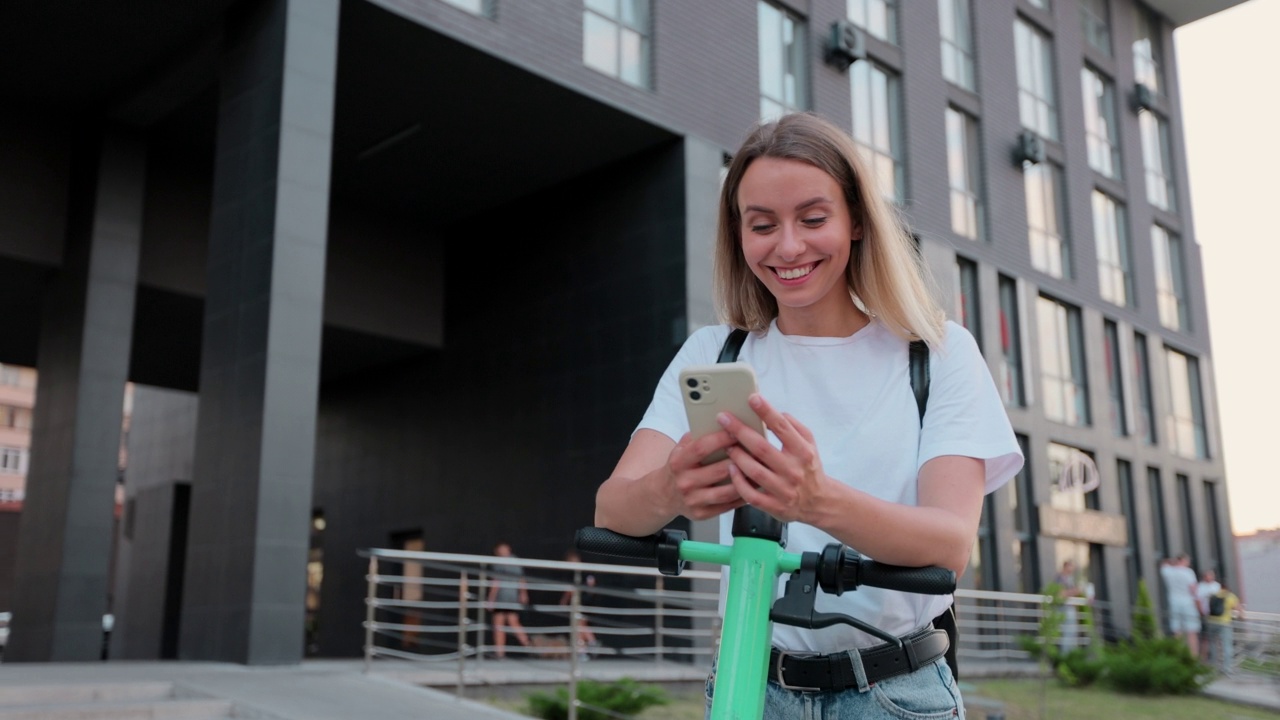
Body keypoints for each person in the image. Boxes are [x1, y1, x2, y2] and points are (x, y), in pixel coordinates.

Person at [593, 112, 1023, 719]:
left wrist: (815, 500)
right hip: (749, 685)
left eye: (813, 219)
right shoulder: (717, 352)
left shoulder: (938, 353)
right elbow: (612, 508)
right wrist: (671, 487)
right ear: (738, 235)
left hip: (895, 696)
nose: (788, 246)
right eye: (762, 225)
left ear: (856, 223)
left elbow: (950, 546)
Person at [486, 541, 530, 659]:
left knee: (499, 623)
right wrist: (523, 593)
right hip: (512, 596)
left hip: (503, 596)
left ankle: (500, 653)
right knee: (512, 621)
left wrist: (491, 599)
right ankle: (528, 646)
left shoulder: (499, 562)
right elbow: (521, 579)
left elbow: (496, 582)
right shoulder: (516, 561)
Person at [560, 549, 600, 660]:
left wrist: (563, 601)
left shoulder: (576, 573)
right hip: (585, 602)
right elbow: (592, 586)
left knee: (579, 626)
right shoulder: (585, 571)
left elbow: (571, 590)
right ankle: (584, 649)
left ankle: (591, 643)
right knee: (580, 626)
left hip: (582, 602)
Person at [1159, 553, 1200, 657]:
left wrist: (1172, 562)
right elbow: (1193, 589)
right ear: (1184, 561)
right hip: (1188, 603)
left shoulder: (1168, 571)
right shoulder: (1188, 572)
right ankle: (1193, 656)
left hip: (1174, 602)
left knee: (1177, 631)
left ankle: (1179, 655)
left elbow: (1164, 563)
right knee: (1192, 631)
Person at [1205, 581, 1241, 674]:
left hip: (1211, 622)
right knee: (1227, 645)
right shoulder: (1230, 596)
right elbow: (1238, 609)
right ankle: (1227, 668)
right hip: (1224, 623)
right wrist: (1239, 615)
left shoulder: (1213, 595)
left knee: (1213, 645)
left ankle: (1213, 666)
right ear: (1228, 588)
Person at [1054, 560, 1083, 652]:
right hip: (1063, 609)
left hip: (1070, 609)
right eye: (1070, 567)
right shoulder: (1060, 578)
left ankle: (1071, 654)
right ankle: (1064, 655)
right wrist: (1075, 591)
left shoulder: (1070, 579)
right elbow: (1060, 594)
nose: (1072, 569)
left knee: (1072, 633)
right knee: (1066, 633)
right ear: (1065, 567)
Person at [1195, 569, 1221, 661]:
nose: (1210, 577)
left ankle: (1217, 658)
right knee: (1205, 638)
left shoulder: (1217, 586)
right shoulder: (1200, 587)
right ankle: (1203, 659)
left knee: (1217, 637)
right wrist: (1201, 612)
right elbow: (1197, 600)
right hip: (1206, 615)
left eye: (1211, 575)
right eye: (1207, 576)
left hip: (1217, 616)